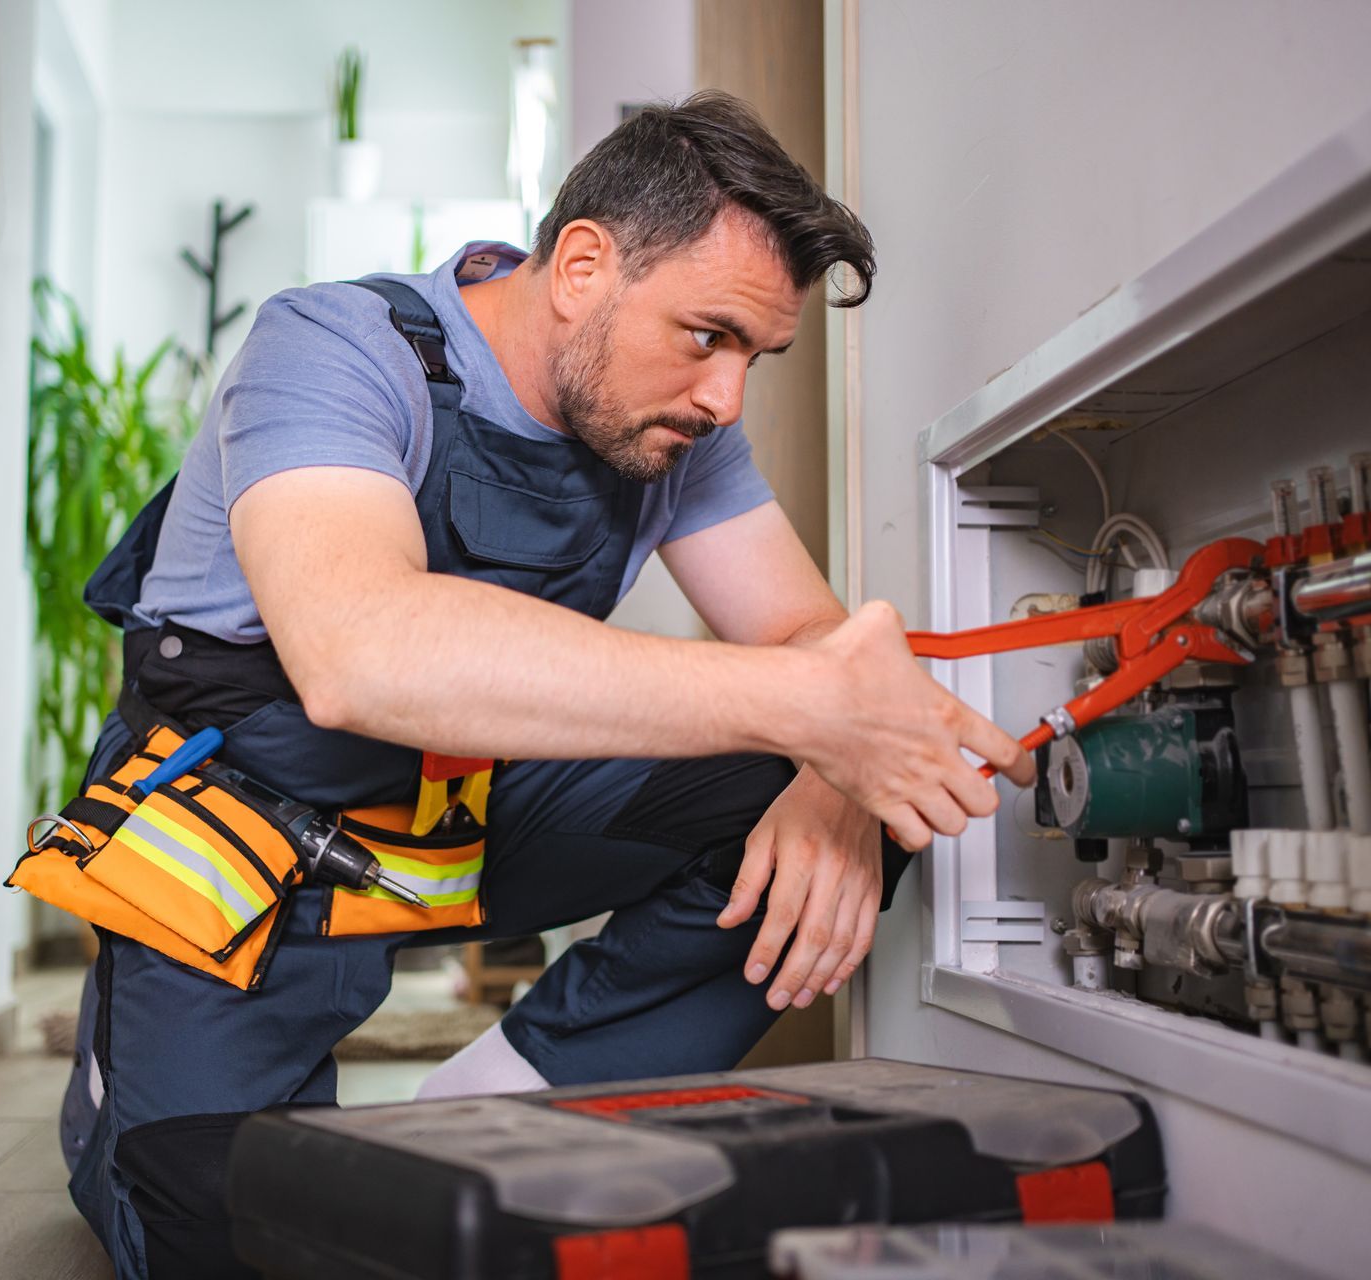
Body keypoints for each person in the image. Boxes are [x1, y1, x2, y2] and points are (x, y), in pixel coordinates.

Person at [56, 91, 1033, 1278]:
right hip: (242, 847)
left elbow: (807, 636)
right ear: (580, 265)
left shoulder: (675, 427)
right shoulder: (333, 347)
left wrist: (837, 767)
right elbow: (360, 651)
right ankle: (124, 1090)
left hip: (448, 822)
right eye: (707, 334)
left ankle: (498, 1114)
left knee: (842, 791)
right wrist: (809, 704)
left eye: (755, 356)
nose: (727, 398)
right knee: (233, 1240)